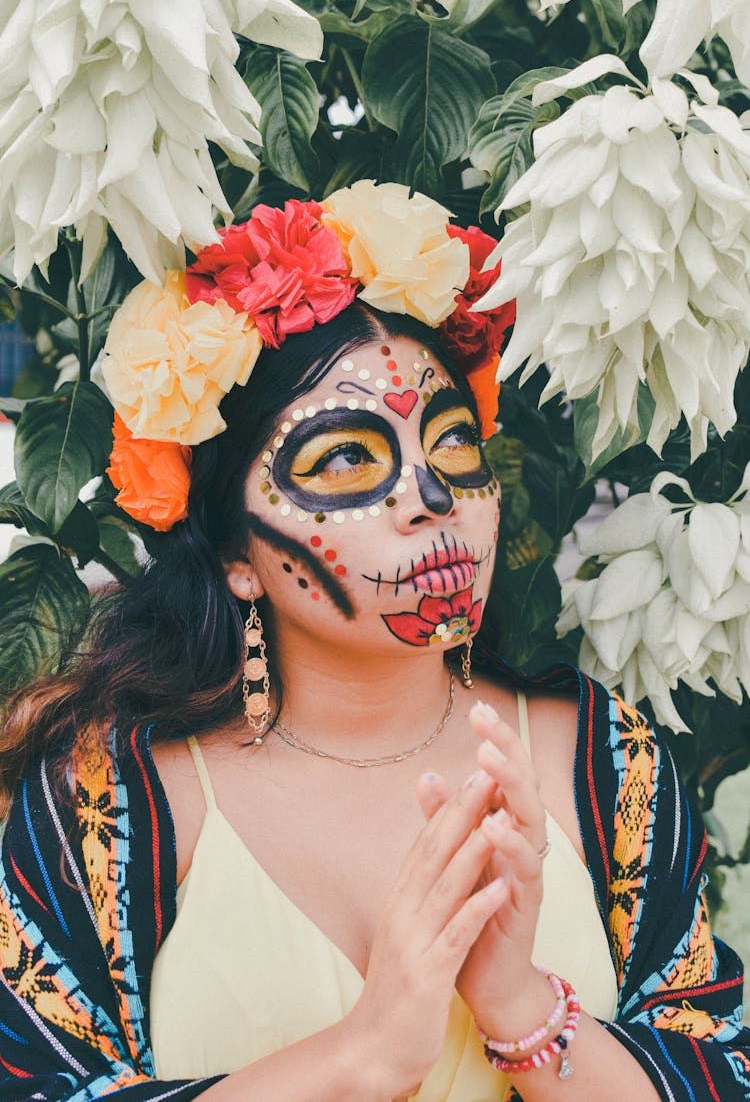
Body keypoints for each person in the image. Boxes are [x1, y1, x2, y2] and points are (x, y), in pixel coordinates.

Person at [0, 182, 748, 1102]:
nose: (429, 496)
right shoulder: (111, 795)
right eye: (348, 456)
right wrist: (367, 1051)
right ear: (238, 553)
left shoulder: (597, 755)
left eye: (453, 446)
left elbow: (722, 1068)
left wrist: (519, 1006)